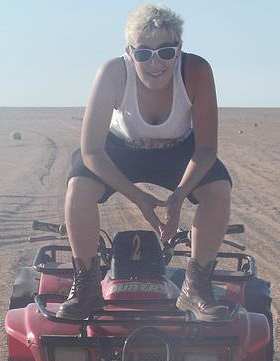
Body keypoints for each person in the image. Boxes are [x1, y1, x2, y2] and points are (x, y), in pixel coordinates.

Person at [58, 3, 233, 322]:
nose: (155, 63)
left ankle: (196, 287)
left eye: (165, 51)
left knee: (219, 188)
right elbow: (92, 152)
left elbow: (206, 149)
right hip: (121, 147)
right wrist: (138, 198)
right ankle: (86, 288)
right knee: (79, 186)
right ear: (129, 51)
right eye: (143, 53)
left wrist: (180, 194)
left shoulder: (196, 71)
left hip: (179, 147)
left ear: (178, 48)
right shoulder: (112, 73)